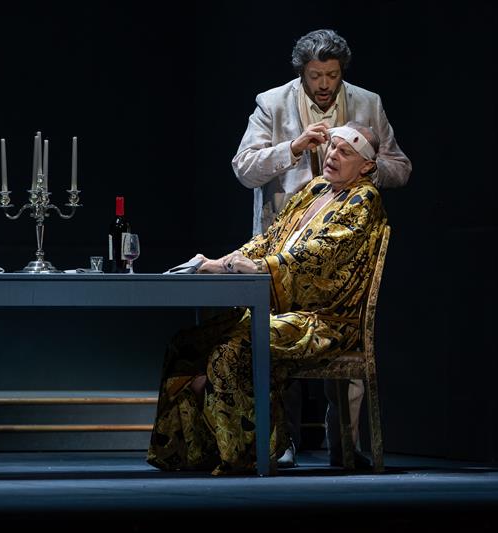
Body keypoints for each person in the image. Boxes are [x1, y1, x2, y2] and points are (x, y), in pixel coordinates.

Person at [148, 122, 387, 475]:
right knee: (186, 345)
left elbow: (319, 255)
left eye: (345, 152)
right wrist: (221, 262)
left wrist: (258, 267)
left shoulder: (364, 199)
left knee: (232, 349)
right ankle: (196, 453)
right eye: (333, 147)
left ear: (366, 165)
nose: (333, 156)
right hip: (280, 313)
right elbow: (270, 239)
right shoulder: (315, 189)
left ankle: (254, 453)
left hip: (323, 321)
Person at [231, 29, 411, 468]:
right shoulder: (272, 103)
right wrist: (292, 148)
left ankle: (344, 447)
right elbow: (244, 168)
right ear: (302, 73)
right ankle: (282, 442)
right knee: (273, 339)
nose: (325, 84)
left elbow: (400, 167)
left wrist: (360, 165)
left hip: (340, 250)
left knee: (340, 334)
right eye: (316, 76)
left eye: (332, 75)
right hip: (285, 246)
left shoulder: (367, 103)